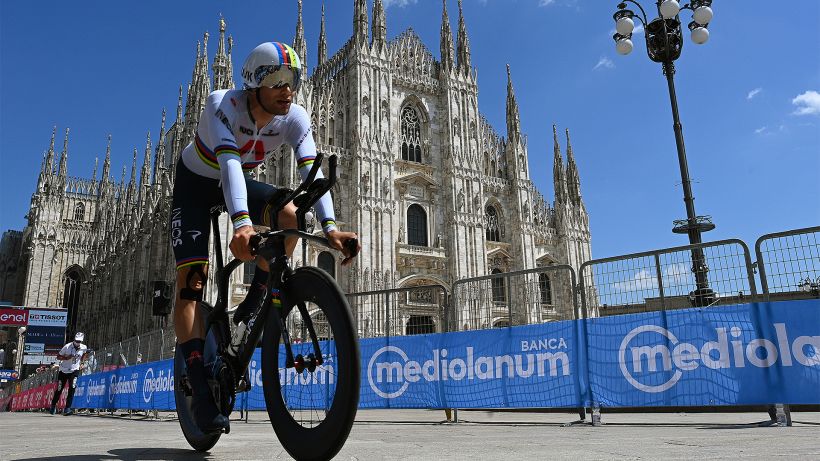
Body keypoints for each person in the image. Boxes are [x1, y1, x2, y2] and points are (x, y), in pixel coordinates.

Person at [169, 41, 361, 434]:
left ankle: (257, 296)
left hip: (237, 181)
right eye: (276, 80)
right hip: (197, 185)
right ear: (254, 83)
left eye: (292, 80)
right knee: (191, 282)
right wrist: (242, 223)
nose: (287, 89)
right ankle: (196, 379)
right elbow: (229, 167)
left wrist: (331, 229)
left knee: (290, 212)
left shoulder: (294, 117)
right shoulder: (223, 104)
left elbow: (313, 175)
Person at [50, 332, 88, 415]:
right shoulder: (67, 347)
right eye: (76, 341)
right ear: (74, 339)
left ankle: (67, 408)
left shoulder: (83, 347)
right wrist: (66, 358)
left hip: (74, 370)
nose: (78, 343)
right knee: (60, 389)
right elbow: (58, 356)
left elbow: (85, 354)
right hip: (63, 370)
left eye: (79, 341)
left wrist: (82, 363)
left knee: (72, 387)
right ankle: (53, 405)